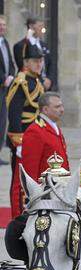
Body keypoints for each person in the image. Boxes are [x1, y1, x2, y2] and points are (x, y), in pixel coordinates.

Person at [6, 43, 44, 218]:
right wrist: (17, 140)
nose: (39, 64)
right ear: (26, 63)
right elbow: (14, 112)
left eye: (41, 61)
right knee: (19, 180)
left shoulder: (35, 80)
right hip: (22, 136)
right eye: (35, 61)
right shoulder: (21, 81)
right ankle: (18, 213)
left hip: (35, 136)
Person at [21, 92, 68, 183]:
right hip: (45, 190)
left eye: (62, 106)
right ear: (45, 109)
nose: (62, 110)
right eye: (57, 107)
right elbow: (30, 170)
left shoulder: (53, 126)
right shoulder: (35, 131)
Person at [13, 17, 54, 90]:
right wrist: (41, 80)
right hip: (30, 85)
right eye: (40, 26)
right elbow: (23, 66)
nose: (42, 29)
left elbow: (50, 63)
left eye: (43, 26)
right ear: (31, 26)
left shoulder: (43, 45)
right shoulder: (20, 45)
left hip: (46, 85)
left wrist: (49, 79)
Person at [0, 15, 16, 165]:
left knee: (2, 120)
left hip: (5, 87)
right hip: (1, 84)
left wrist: (11, 75)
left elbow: (10, 62)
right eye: (0, 24)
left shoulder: (4, 41)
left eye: (4, 25)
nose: (2, 27)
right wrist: (2, 79)